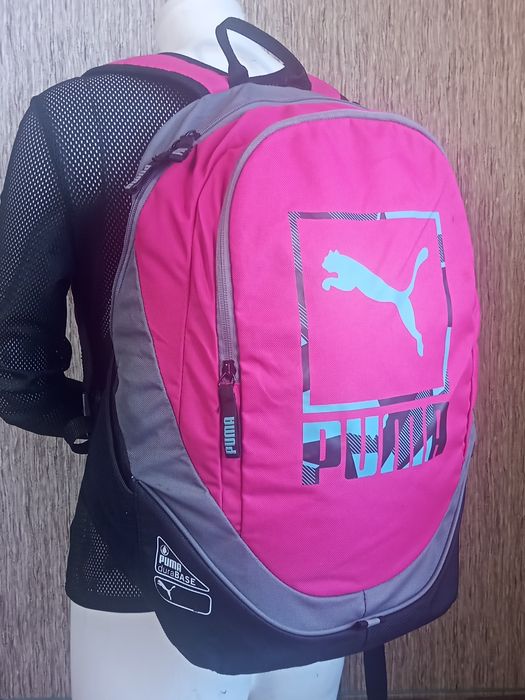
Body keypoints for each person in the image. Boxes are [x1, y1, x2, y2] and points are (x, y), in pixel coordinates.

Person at [0, 0, 345, 698]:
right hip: (327, 541)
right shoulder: (336, 115)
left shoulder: (78, 116)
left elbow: (13, 368)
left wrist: (92, 423)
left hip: (147, 554)